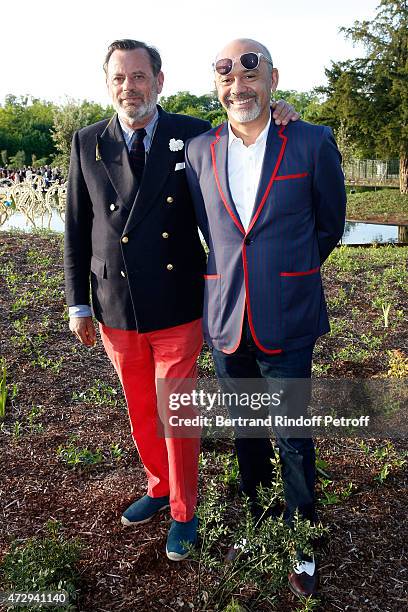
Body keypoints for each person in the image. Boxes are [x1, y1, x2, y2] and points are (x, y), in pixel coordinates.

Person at [64, 38, 298, 562]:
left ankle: (183, 512)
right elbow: (76, 228)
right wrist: (78, 302)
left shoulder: (192, 134)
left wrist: (283, 114)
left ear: (159, 81)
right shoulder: (86, 142)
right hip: (115, 303)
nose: (130, 88)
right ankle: (158, 486)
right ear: (109, 85)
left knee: (178, 411)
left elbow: (247, 139)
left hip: (178, 302)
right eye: (120, 78)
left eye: (140, 76)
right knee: (142, 410)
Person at [185, 38, 346, 595]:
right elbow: (214, 231)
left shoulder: (310, 141)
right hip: (227, 318)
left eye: (250, 72)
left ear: (273, 79)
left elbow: (329, 224)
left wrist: (288, 272)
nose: (239, 85)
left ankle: (301, 542)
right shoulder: (199, 150)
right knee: (247, 432)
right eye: (226, 74)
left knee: (293, 436)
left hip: (289, 315)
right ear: (218, 86)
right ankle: (256, 524)